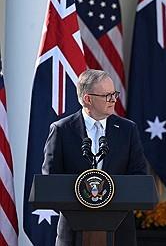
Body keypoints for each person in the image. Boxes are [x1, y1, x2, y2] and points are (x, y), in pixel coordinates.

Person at [42, 69, 147, 246]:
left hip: (120, 231)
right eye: (107, 95)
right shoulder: (62, 130)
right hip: (73, 231)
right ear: (87, 99)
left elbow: (138, 175)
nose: (114, 100)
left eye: (114, 94)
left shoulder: (128, 130)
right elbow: (51, 179)